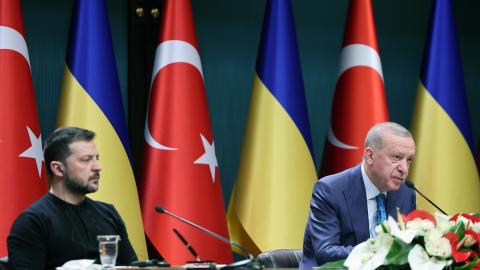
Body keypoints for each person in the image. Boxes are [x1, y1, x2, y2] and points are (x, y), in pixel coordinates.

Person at [8, 127, 137, 270]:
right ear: (58, 169)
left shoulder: (108, 213)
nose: (98, 167)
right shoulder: (32, 222)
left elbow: (133, 266)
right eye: (86, 160)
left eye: (97, 158)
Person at [300, 122, 417, 267]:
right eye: (396, 157)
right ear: (370, 156)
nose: (404, 169)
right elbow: (326, 253)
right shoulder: (330, 190)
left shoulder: (406, 193)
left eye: (409, 160)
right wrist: (380, 251)